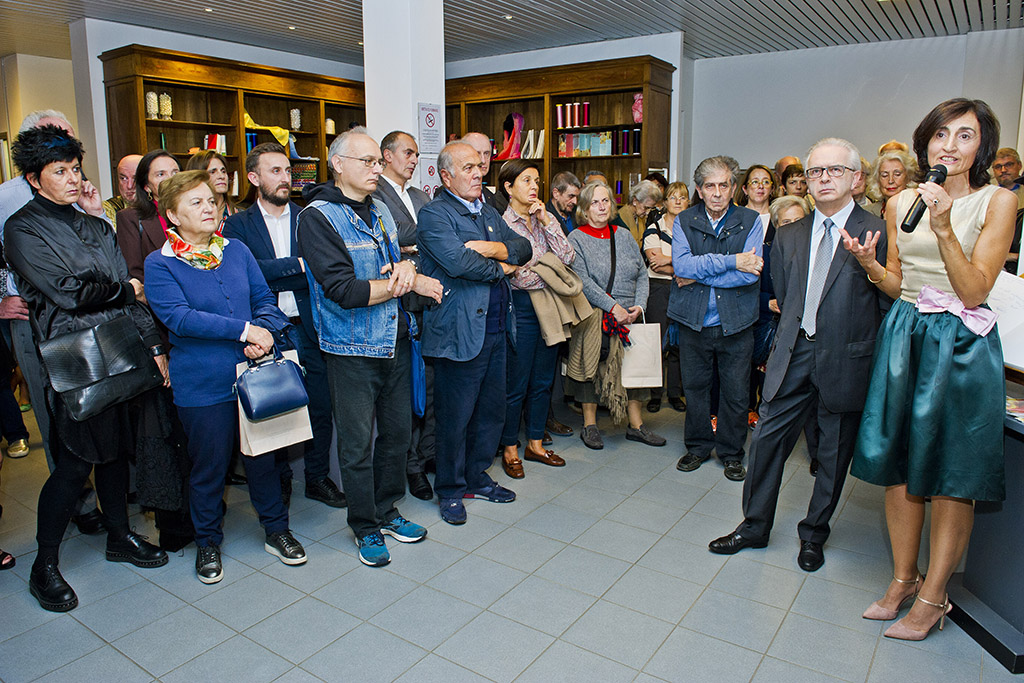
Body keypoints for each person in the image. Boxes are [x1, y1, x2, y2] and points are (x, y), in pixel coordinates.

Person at [844, 99, 1015, 641]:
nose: (950, 145)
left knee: (948, 476)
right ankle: (904, 578)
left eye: (965, 135)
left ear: (982, 146)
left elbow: (975, 290)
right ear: (925, 142)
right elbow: (900, 281)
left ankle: (934, 596)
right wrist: (871, 267)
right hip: (905, 333)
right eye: (941, 134)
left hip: (959, 342)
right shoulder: (900, 203)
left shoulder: (998, 201)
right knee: (899, 466)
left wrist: (944, 227)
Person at [5, 125, 169, 611]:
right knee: (76, 463)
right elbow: (69, 293)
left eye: (75, 169)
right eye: (60, 172)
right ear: (34, 178)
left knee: (116, 452)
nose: (73, 179)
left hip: (119, 346)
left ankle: (119, 536)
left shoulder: (96, 225)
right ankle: (44, 565)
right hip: (71, 356)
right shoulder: (22, 228)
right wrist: (121, 289)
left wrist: (151, 341)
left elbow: (115, 288)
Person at [708, 138, 889, 575]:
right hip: (793, 352)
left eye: (834, 170)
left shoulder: (878, 231)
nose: (823, 178)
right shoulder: (789, 234)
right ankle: (754, 526)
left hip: (845, 358)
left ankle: (814, 535)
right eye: (815, 171)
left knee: (832, 453)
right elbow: (788, 298)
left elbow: (885, 303)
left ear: (856, 178)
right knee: (766, 441)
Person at [145, 170, 307, 583]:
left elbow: (263, 298)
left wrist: (264, 332)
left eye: (211, 201)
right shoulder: (160, 263)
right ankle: (207, 542)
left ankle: (277, 530)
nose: (209, 208)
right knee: (209, 467)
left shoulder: (236, 250)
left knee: (264, 459)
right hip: (202, 383)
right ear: (172, 215)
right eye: (196, 202)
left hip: (255, 371)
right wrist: (244, 331)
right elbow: (179, 318)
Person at [298, 128, 440, 565]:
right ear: (338, 164)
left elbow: (396, 259)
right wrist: (407, 283)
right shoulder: (317, 217)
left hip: (395, 339)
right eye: (368, 162)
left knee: (397, 436)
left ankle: (387, 510)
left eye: (379, 161)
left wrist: (406, 268)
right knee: (357, 444)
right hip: (351, 348)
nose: (377, 168)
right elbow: (344, 290)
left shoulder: (379, 209)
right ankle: (364, 525)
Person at [223, 143, 346, 510]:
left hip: (310, 324)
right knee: (274, 408)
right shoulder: (238, 225)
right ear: (253, 177)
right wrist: (300, 265)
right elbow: (248, 275)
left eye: (288, 171)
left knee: (320, 404)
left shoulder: (309, 218)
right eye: (275, 171)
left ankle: (317, 477)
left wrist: (286, 270)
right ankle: (280, 482)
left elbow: (323, 268)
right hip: (267, 330)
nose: (285, 178)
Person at [0, 109, 105, 536]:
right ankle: (79, 503)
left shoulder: (79, 187)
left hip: (92, 315)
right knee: (54, 412)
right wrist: (0, 297)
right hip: (34, 317)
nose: (70, 167)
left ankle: (111, 499)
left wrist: (96, 211)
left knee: (100, 407)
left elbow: (105, 249)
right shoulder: (8, 197)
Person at [417, 141, 532, 525]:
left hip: (497, 328)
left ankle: (476, 476)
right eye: (468, 168)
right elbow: (459, 263)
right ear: (445, 176)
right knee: (455, 417)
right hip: (459, 333)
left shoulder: (488, 210)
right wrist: (504, 266)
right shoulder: (434, 215)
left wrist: (492, 248)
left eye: (480, 166)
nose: (478, 173)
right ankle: (450, 489)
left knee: (490, 412)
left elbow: (524, 247)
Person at [670, 156, 763, 482]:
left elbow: (750, 274)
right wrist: (733, 261)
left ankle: (731, 453)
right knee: (695, 388)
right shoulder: (684, 220)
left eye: (724, 185)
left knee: (736, 392)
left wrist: (700, 274)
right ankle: (697, 447)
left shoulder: (751, 220)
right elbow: (682, 266)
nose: (717, 192)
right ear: (699, 189)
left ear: (734, 187)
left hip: (736, 321)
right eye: (710, 186)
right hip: (693, 320)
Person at [567, 181, 665, 450]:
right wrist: (613, 307)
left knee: (635, 368)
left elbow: (642, 273)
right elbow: (583, 281)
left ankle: (636, 426)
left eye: (605, 201)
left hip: (630, 314)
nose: (601, 207)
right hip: (595, 315)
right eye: (594, 202)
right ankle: (590, 426)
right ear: (584, 209)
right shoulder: (576, 238)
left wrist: (639, 306)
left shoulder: (623, 235)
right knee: (589, 369)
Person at [496, 159, 576, 478]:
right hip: (521, 306)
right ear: (508, 187)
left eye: (537, 180)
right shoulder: (502, 223)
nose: (534, 186)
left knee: (543, 379)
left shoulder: (544, 217)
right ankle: (509, 448)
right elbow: (515, 274)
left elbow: (567, 257)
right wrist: (548, 271)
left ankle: (535, 443)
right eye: (526, 180)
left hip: (550, 305)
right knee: (517, 382)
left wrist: (547, 221)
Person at [371, 130, 436, 501]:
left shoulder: (421, 196)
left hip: (427, 305)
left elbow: (425, 237)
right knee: (405, 394)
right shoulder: (375, 195)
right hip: (396, 307)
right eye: (408, 153)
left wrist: (412, 245)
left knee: (428, 388)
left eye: (416, 155)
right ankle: (410, 467)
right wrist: (417, 239)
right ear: (387, 155)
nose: (414, 160)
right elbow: (394, 235)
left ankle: (426, 456)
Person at [642, 181, 688, 413]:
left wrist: (669, 260)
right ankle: (655, 395)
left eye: (682, 197)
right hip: (658, 289)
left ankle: (674, 394)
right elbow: (655, 265)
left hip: (684, 289)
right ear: (665, 202)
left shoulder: (691, 230)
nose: (678, 201)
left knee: (679, 344)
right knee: (657, 344)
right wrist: (684, 267)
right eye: (673, 197)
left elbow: (696, 263)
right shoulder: (654, 228)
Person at [116, 150, 181, 282]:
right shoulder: (130, 217)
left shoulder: (194, 211)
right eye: (161, 174)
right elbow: (134, 272)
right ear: (147, 186)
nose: (171, 179)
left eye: (175, 173)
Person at [186, 149, 237, 226]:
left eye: (223, 171)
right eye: (213, 172)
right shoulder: (189, 216)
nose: (221, 176)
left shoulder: (240, 215)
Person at [462, 132, 507, 213]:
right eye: (477, 153)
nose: (483, 160)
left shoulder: (492, 197)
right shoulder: (449, 196)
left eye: (486, 153)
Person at [865, 149, 918, 219]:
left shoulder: (918, 210)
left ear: (909, 177)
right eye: (884, 175)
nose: (890, 180)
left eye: (897, 174)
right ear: (877, 180)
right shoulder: (866, 212)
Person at [611, 179, 662, 247]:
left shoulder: (640, 217)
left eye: (650, 208)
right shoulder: (617, 220)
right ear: (635, 201)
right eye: (646, 207)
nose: (647, 212)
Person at [103, 154, 142, 224]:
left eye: (135, 179)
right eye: (123, 178)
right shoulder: (108, 208)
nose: (129, 186)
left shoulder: (160, 206)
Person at [547, 171, 581, 235]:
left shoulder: (577, 212)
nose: (575, 202)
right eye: (571, 196)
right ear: (556, 194)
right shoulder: (545, 217)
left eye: (576, 197)